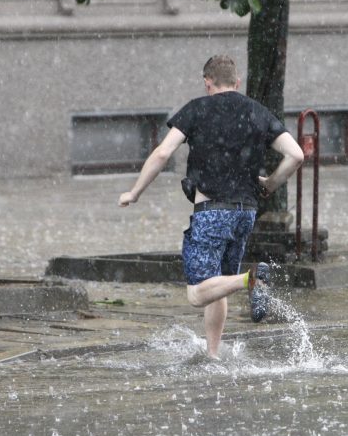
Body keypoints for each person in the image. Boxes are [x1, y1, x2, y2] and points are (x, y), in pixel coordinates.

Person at [118, 55, 304, 358]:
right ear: (237, 82)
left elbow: (163, 153)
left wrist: (135, 192)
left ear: (207, 82)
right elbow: (296, 155)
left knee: (196, 293)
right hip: (245, 212)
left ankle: (251, 278)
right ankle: (213, 355)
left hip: (211, 212)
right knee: (219, 284)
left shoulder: (197, 109)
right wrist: (270, 183)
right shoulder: (257, 111)